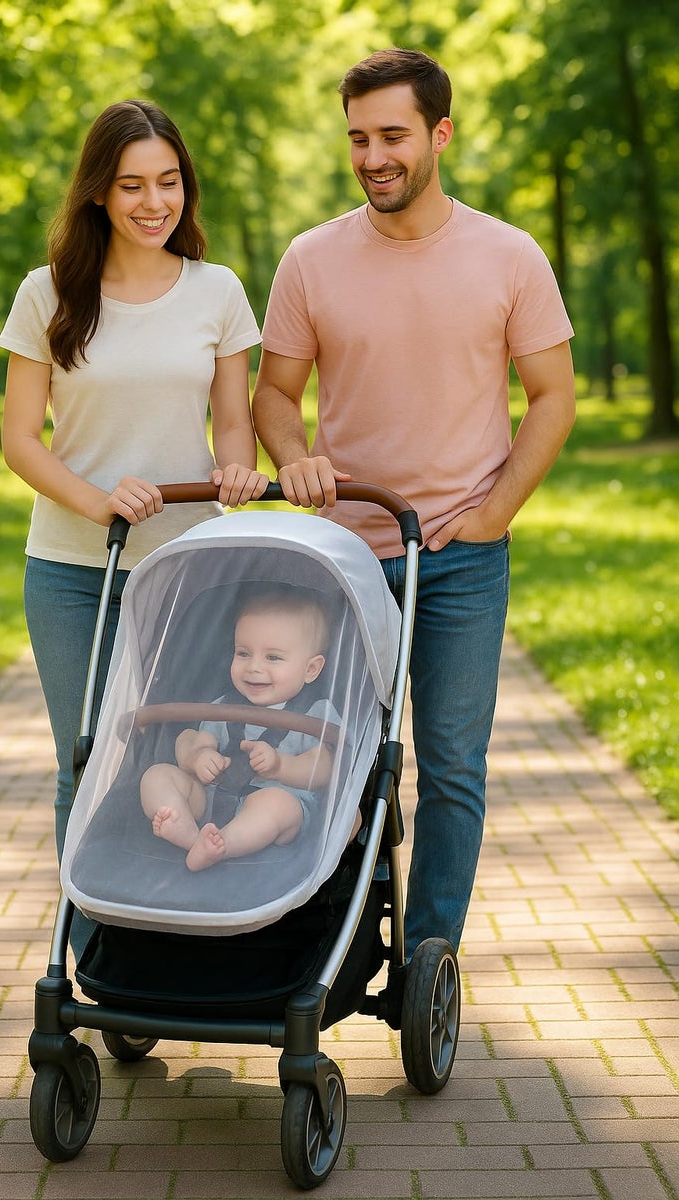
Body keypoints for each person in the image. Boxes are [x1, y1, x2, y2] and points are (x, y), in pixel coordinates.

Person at [251, 48, 576, 960]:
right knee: (329, 759)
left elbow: (554, 397)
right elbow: (273, 394)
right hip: (347, 555)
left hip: (461, 556)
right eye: (358, 137)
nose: (372, 156)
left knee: (453, 771)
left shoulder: (509, 255)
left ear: (439, 134)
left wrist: (497, 511)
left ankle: (429, 959)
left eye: (392, 135)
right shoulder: (311, 258)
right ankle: (326, 948)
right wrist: (297, 456)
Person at [0, 100, 267, 952]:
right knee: (88, 759)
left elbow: (233, 418)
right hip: (75, 568)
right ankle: (93, 956)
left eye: (169, 183)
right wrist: (98, 500)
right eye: (132, 186)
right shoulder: (49, 294)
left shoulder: (217, 291)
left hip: (188, 574)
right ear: (98, 196)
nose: (155, 203)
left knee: (183, 755)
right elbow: (18, 440)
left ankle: (169, 940)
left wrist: (235, 469)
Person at [140, 588, 340, 871]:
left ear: (311, 669)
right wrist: (199, 756)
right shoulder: (225, 705)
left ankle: (223, 846)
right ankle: (186, 830)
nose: (253, 667)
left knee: (275, 805)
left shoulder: (318, 712)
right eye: (243, 653)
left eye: (272, 657)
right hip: (213, 797)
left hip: (278, 800)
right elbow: (191, 739)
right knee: (157, 775)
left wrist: (281, 766)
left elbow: (325, 767)